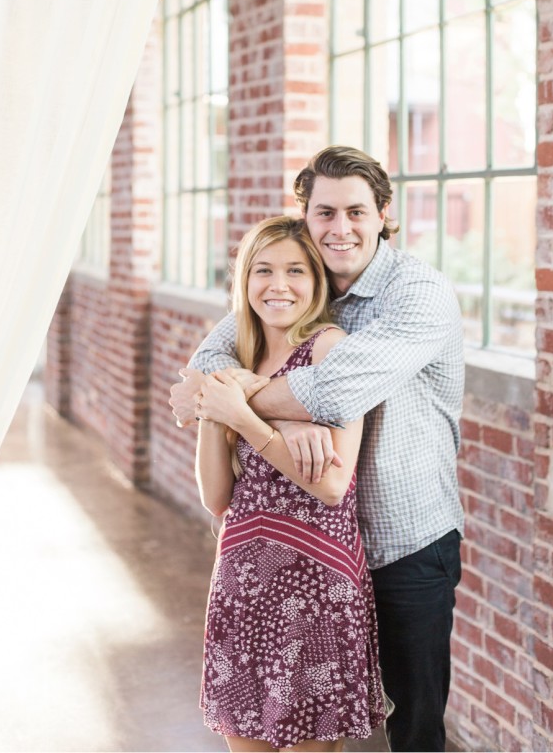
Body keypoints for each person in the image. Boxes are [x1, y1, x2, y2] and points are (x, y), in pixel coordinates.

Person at [171, 146, 465, 753]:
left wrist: (241, 402)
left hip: (407, 540)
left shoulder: (418, 293)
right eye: (324, 212)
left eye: (356, 211)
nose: (340, 228)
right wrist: (241, 400)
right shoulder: (302, 279)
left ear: (384, 213)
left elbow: (333, 388)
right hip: (317, 548)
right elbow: (207, 362)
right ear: (306, 215)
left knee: (412, 726)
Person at [192, 214, 386, 752]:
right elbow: (216, 496)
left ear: (317, 281)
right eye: (263, 271)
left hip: (316, 583)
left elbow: (331, 485)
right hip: (242, 581)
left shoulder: (330, 350)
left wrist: (248, 418)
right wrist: (217, 410)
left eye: (296, 271)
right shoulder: (237, 358)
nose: (279, 285)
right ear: (244, 281)